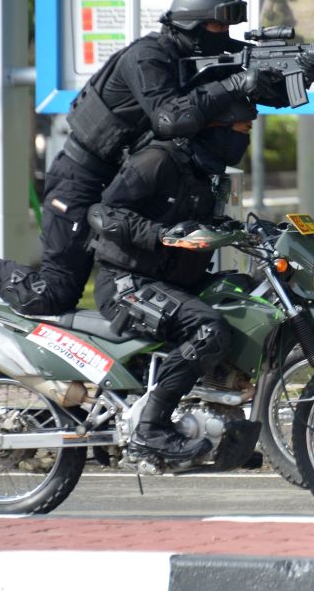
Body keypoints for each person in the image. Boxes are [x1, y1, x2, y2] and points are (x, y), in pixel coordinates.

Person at [0, 0, 314, 314]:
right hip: (82, 177)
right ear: (192, 24)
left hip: (130, 180)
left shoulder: (198, 58)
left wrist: (309, 66)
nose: (225, 34)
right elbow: (169, 119)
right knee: (53, 294)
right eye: (218, 25)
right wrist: (235, 84)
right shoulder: (148, 57)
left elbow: (266, 93)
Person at [86, 102, 257, 463]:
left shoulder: (204, 170)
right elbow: (104, 213)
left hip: (174, 282)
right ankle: (151, 428)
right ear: (214, 128)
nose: (247, 138)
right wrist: (161, 234)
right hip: (127, 282)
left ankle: (221, 419)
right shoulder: (157, 160)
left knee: (244, 296)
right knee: (206, 330)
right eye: (243, 130)